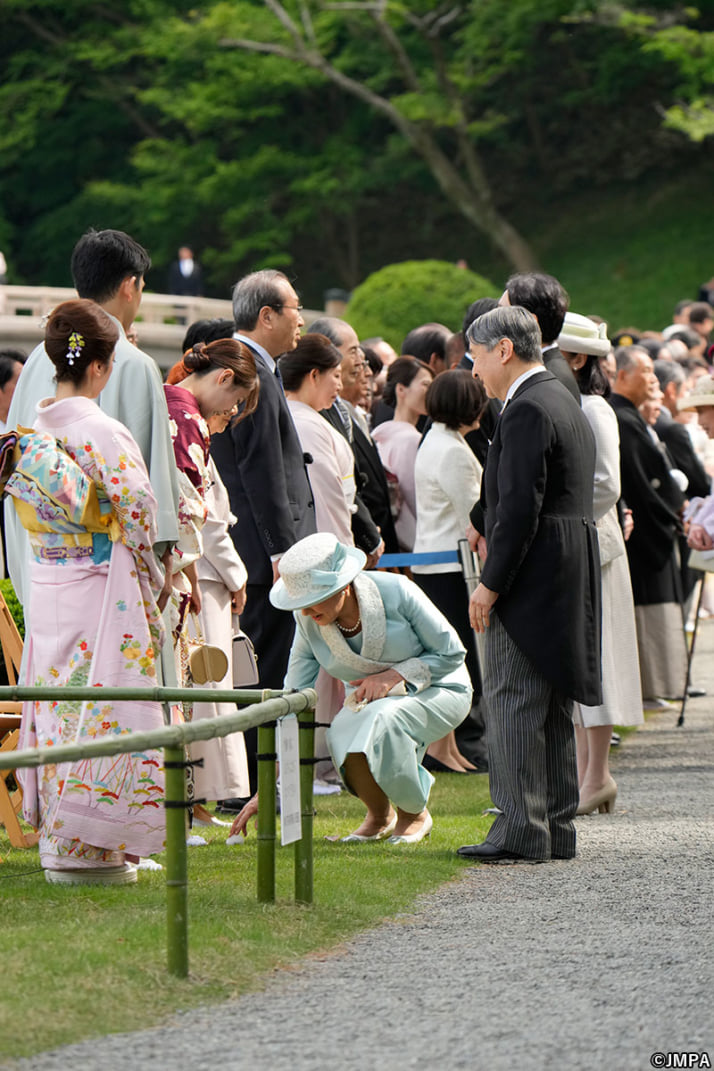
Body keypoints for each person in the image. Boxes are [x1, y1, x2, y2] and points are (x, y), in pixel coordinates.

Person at [14, 300, 167, 885]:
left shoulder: (28, 429)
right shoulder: (103, 430)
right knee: (102, 708)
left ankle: (60, 841)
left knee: (59, 707)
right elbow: (140, 515)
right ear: (101, 367)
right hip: (101, 588)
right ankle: (95, 848)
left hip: (49, 583)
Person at [459, 306, 601, 863]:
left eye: (475, 356)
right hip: (566, 563)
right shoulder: (560, 396)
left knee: (515, 696)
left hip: (533, 566)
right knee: (550, 700)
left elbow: (519, 507)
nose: (473, 370)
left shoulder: (525, 407)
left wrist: (489, 585)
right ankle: (555, 825)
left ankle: (520, 827)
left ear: (502, 350)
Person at [5, 228, 180, 623]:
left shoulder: (36, 359)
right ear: (128, 286)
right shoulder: (133, 363)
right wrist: (164, 564)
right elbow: (148, 498)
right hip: (105, 576)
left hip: (42, 564)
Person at [269, 533, 472, 844]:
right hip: (374, 704)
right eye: (300, 604)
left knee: (385, 722)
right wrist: (271, 784)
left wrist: (394, 675)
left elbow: (452, 653)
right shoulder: (307, 622)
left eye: (311, 601)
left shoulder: (398, 591)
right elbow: (293, 696)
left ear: (343, 585)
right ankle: (379, 815)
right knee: (339, 732)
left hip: (442, 687)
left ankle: (413, 813)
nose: (306, 612)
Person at [210, 270, 316, 797]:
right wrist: (281, 551)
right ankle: (255, 786)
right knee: (265, 669)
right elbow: (261, 472)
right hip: (261, 554)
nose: (302, 317)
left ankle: (261, 782)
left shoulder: (261, 368)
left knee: (272, 668)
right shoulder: (248, 367)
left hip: (262, 550)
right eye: (295, 307)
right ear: (267, 315)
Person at [557, 312, 643, 816]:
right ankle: (586, 774)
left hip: (596, 545)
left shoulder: (594, 409)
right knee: (580, 656)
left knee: (601, 654)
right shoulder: (571, 404)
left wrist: (560, 515)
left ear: (578, 358)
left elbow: (606, 484)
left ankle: (598, 775)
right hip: (577, 543)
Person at [412, 370, 489, 774]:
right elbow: (473, 516)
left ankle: (448, 747)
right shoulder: (454, 450)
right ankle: (441, 749)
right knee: (454, 662)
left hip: (435, 564)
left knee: (448, 660)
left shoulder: (437, 440)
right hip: (450, 567)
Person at [609, 346, 688, 705]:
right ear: (622, 375)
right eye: (645, 371)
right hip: (640, 535)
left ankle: (658, 686)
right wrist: (673, 514)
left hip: (652, 528)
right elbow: (639, 486)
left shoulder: (632, 418)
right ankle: (649, 688)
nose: (653, 379)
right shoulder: (622, 419)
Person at [309, 316, 397, 557]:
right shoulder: (315, 412)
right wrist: (368, 536)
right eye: (354, 351)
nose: (361, 362)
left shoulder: (342, 409)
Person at [280, 334, 356, 545]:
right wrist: (343, 553)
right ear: (314, 375)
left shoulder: (305, 418)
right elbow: (326, 499)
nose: (340, 386)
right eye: (336, 376)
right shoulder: (306, 424)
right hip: (323, 544)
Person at [371, 357, 434, 551]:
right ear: (401, 390)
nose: (430, 391)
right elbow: (416, 498)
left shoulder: (377, 435)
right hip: (413, 541)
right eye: (425, 384)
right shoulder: (410, 440)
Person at [498, 272, 580, 403]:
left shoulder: (543, 378)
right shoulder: (549, 370)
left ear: (529, 322)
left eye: (501, 313)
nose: (495, 321)